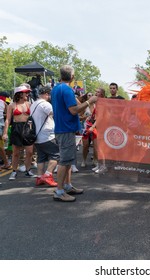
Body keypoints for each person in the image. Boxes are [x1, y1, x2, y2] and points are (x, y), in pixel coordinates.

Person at [51, 65, 97, 202]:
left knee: (68, 160)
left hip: (63, 128)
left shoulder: (56, 89)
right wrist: (90, 101)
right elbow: (73, 110)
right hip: (65, 129)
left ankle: (67, 185)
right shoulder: (66, 89)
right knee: (64, 161)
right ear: (72, 77)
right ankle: (59, 191)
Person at [3, 86, 37, 180]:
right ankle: (14, 171)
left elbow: (34, 118)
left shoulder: (29, 104)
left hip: (28, 128)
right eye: (26, 92)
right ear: (20, 94)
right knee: (16, 153)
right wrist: (5, 133)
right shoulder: (12, 105)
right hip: (16, 128)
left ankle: (28, 170)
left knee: (30, 152)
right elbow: (8, 120)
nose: (27, 94)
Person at [30, 86, 59, 187]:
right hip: (47, 135)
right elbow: (55, 114)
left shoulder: (33, 104)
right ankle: (48, 175)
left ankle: (39, 177)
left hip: (36, 136)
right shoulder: (45, 104)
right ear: (46, 94)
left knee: (41, 157)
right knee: (56, 154)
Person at [0, 93, 11, 170]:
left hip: (2, 124)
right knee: (1, 146)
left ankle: (6, 162)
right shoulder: (3, 101)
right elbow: (8, 114)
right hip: (2, 124)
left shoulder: (3, 100)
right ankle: (6, 162)